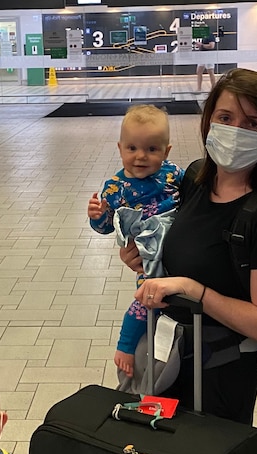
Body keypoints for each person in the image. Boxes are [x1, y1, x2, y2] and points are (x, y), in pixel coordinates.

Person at [120, 68, 257, 425]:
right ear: (208, 122)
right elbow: (189, 256)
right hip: (168, 359)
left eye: (252, 123)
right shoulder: (195, 178)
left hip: (221, 376)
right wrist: (147, 263)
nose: (235, 131)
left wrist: (192, 289)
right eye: (225, 117)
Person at [88, 104, 183, 379]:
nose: (140, 157)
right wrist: (98, 216)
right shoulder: (114, 188)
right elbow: (106, 227)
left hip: (177, 244)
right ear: (120, 148)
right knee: (145, 300)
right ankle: (126, 346)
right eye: (132, 149)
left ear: (166, 152)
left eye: (152, 150)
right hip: (148, 258)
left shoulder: (173, 174)